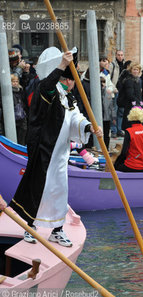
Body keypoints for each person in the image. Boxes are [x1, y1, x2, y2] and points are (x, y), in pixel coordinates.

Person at [9, 48, 102, 246]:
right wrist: (62, 65)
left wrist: (90, 127)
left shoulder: (68, 98)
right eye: (73, 79)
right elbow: (46, 87)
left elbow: (75, 118)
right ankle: (30, 226)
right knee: (39, 188)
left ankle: (57, 229)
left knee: (60, 190)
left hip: (60, 154)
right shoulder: (48, 91)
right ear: (67, 79)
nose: (74, 84)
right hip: (44, 150)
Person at [114, 106, 143, 172]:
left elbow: (124, 152)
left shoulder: (129, 131)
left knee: (116, 165)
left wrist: (116, 163)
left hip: (131, 166)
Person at [119, 62, 143, 130]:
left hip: (136, 106)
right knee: (130, 127)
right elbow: (130, 95)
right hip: (131, 106)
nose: (135, 71)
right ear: (131, 70)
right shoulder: (129, 80)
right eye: (134, 69)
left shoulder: (138, 80)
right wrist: (139, 104)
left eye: (137, 70)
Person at [11, 74, 28, 145]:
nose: (15, 83)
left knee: (22, 137)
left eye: (16, 81)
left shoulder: (21, 90)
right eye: (13, 81)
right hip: (12, 118)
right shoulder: (7, 92)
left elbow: (24, 102)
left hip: (22, 117)